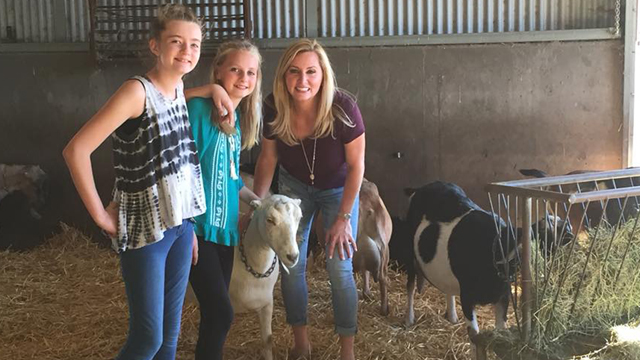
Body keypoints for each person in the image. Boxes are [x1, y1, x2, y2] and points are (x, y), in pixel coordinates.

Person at [62, 4, 205, 359]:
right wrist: (100, 214)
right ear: (155, 45)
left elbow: (181, 161)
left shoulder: (178, 88)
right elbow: (76, 150)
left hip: (180, 227)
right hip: (144, 231)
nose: (187, 51)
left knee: (170, 340)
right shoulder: (136, 92)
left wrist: (189, 225)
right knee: (148, 340)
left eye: (195, 44)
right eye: (176, 41)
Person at [252, 38, 366, 360]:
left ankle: (347, 350)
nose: (303, 81)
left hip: (337, 190)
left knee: (339, 266)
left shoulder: (344, 108)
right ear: (284, 75)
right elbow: (267, 158)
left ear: (323, 74)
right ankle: (301, 342)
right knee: (292, 263)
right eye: (294, 72)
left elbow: (357, 165)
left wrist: (344, 219)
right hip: (294, 187)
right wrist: (256, 204)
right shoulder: (274, 105)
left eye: (311, 72)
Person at [183, 40, 262, 360]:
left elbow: (231, 180)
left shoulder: (236, 119)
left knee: (213, 315)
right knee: (221, 313)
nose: (244, 78)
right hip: (197, 229)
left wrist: (260, 203)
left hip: (224, 230)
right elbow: (181, 170)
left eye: (251, 72)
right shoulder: (200, 110)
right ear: (218, 70)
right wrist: (185, 226)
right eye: (235, 69)